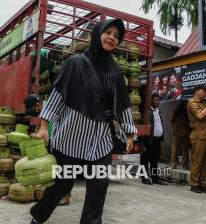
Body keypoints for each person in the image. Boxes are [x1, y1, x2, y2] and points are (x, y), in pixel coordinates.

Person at [29, 18, 136, 224]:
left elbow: (122, 103)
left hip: (100, 138)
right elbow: (57, 95)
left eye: (116, 36)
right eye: (108, 32)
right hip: (71, 135)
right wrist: (44, 127)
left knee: (99, 183)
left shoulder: (115, 71)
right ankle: (38, 216)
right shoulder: (75, 63)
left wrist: (130, 132)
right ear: (98, 34)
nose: (112, 38)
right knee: (62, 184)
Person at [23, 94, 71, 206]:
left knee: (62, 169)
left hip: (63, 143)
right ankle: (57, 195)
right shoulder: (44, 113)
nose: (32, 114)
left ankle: (65, 196)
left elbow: (52, 130)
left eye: (32, 111)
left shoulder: (52, 109)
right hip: (56, 142)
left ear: (38, 105)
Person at [187, 85, 206, 194]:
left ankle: (202, 183)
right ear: (196, 91)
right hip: (199, 136)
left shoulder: (203, 103)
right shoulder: (192, 103)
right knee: (197, 161)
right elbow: (200, 116)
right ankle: (194, 184)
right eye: (204, 91)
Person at [141, 93, 167, 185]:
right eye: (155, 100)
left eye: (158, 100)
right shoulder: (148, 112)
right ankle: (144, 178)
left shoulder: (158, 111)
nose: (157, 101)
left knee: (155, 160)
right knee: (145, 160)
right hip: (149, 140)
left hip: (157, 140)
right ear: (150, 101)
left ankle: (155, 178)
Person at [170, 101, 191, 169]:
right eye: (185, 103)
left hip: (186, 132)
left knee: (185, 149)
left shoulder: (190, 111)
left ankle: (185, 164)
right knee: (175, 149)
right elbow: (172, 121)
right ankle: (174, 162)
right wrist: (177, 126)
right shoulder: (177, 111)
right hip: (177, 132)